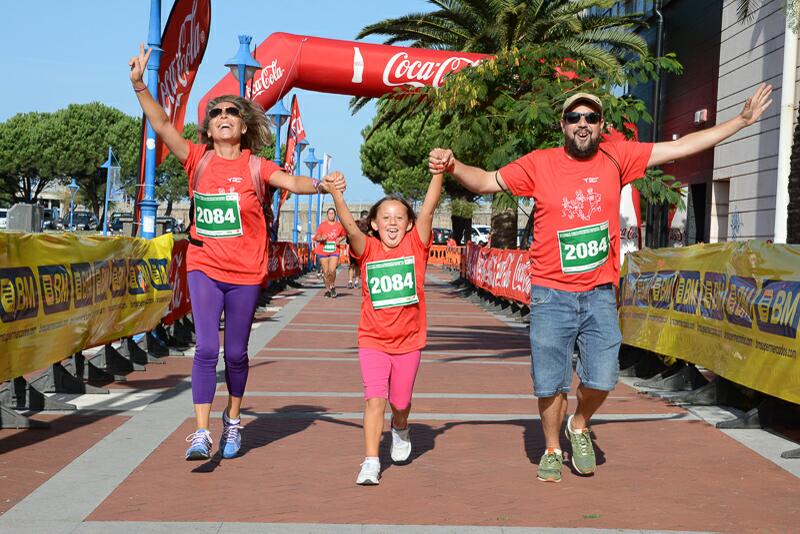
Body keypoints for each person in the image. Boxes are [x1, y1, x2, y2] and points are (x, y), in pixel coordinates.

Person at [429, 83, 773, 483]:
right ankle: (553, 449)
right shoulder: (539, 163)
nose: (582, 123)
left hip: (598, 294)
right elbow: (485, 181)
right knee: (549, 381)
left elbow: (680, 148)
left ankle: (579, 423)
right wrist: (453, 166)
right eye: (574, 117)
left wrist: (741, 121)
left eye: (591, 117)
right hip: (550, 292)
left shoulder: (618, 156)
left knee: (604, 376)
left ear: (601, 125)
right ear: (563, 124)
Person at [129, 43, 346, 461]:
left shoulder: (256, 166)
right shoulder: (197, 160)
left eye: (231, 112)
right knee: (207, 349)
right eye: (216, 114)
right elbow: (161, 124)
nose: (224, 117)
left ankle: (233, 420)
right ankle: (200, 432)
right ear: (208, 129)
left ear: (244, 125)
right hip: (204, 266)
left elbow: (292, 182)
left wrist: (322, 184)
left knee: (236, 353)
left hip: (246, 272)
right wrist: (140, 84)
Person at [325, 171, 443, 485]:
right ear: (375, 223)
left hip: (408, 342)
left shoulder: (417, 246)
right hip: (372, 341)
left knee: (399, 403)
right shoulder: (367, 249)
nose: (392, 223)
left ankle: (400, 428)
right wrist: (337, 193)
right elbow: (349, 226)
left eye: (399, 218)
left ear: (408, 224)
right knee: (374, 399)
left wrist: (439, 173)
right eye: (386, 217)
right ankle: (370, 461)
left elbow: (429, 208)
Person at [314, 207, 347, 298]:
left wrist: (339, 239)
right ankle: (328, 290)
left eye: (332, 213)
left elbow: (344, 235)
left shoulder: (339, 226)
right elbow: (317, 237)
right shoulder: (322, 225)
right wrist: (322, 238)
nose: (331, 215)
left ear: (335, 215)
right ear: (327, 215)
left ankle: (332, 286)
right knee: (326, 272)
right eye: (329, 213)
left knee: (332, 270)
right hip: (323, 250)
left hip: (334, 250)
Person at [348, 210, 370, 289]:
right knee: (352, 265)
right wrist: (349, 241)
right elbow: (349, 233)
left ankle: (357, 281)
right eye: (364, 218)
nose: (364, 221)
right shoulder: (355, 224)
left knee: (359, 266)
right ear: (361, 217)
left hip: (363, 248)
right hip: (353, 248)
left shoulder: (369, 226)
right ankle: (350, 281)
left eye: (366, 219)